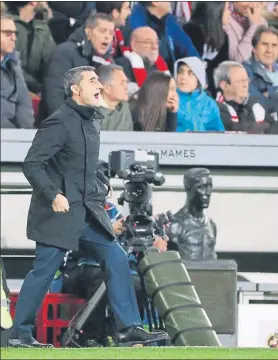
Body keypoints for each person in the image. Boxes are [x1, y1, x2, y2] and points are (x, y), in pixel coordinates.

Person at [8, 65, 168, 348]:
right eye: (92, 80)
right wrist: (53, 194)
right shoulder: (58, 122)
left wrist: (101, 182)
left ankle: (129, 328)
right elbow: (32, 163)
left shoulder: (92, 121)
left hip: (86, 213)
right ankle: (20, 335)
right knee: (43, 273)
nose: (99, 85)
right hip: (57, 213)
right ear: (75, 89)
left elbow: (85, 166)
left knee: (116, 257)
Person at [38, 13, 115, 121]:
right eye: (102, 31)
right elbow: (55, 95)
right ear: (88, 32)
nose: (107, 36)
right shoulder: (65, 53)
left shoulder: (108, 62)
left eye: (111, 33)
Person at [128, 2, 200, 72]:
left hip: (171, 75)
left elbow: (187, 46)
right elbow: (147, 61)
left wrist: (197, 69)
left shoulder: (168, 18)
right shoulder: (136, 24)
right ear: (155, 2)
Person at [6, 1, 55, 94]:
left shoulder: (42, 27)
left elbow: (52, 61)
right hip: (12, 88)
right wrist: (38, 88)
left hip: (37, 89)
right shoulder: (7, 26)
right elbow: (10, 66)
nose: (46, 3)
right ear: (33, 2)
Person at [214, 61, 278, 134]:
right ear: (224, 85)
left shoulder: (253, 104)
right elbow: (232, 127)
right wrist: (262, 127)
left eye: (246, 80)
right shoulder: (214, 108)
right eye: (240, 81)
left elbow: (274, 127)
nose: (245, 85)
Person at [168, 168, 217, 261]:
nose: (208, 193)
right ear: (188, 188)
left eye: (210, 187)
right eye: (201, 187)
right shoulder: (175, 226)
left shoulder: (211, 225)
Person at [183, 2, 230, 96]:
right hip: (188, 82)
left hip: (211, 87)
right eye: (226, 9)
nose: (230, 13)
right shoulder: (189, 31)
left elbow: (221, 66)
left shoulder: (223, 37)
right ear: (216, 12)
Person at [0, 12, 34, 128]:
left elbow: (24, 101)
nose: (14, 38)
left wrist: (26, 132)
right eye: (8, 33)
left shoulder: (13, 62)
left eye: (15, 33)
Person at [174, 57, 224, 132]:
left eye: (190, 73)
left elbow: (219, 134)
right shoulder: (170, 99)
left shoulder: (209, 104)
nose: (183, 77)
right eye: (180, 72)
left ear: (198, 79)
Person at [116, 27, 170, 94]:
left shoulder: (160, 67)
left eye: (157, 42)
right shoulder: (121, 66)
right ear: (134, 45)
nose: (155, 47)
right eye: (148, 42)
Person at [243, 25, 278, 115]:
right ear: (254, 48)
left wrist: (269, 93)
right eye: (264, 44)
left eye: (274, 45)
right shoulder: (244, 70)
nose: (269, 50)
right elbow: (256, 101)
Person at [96, 64, 133, 131]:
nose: (126, 87)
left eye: (126, 82)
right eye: (122, 83)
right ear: (107, 88)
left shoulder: (124, 108)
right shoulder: (89, 112)